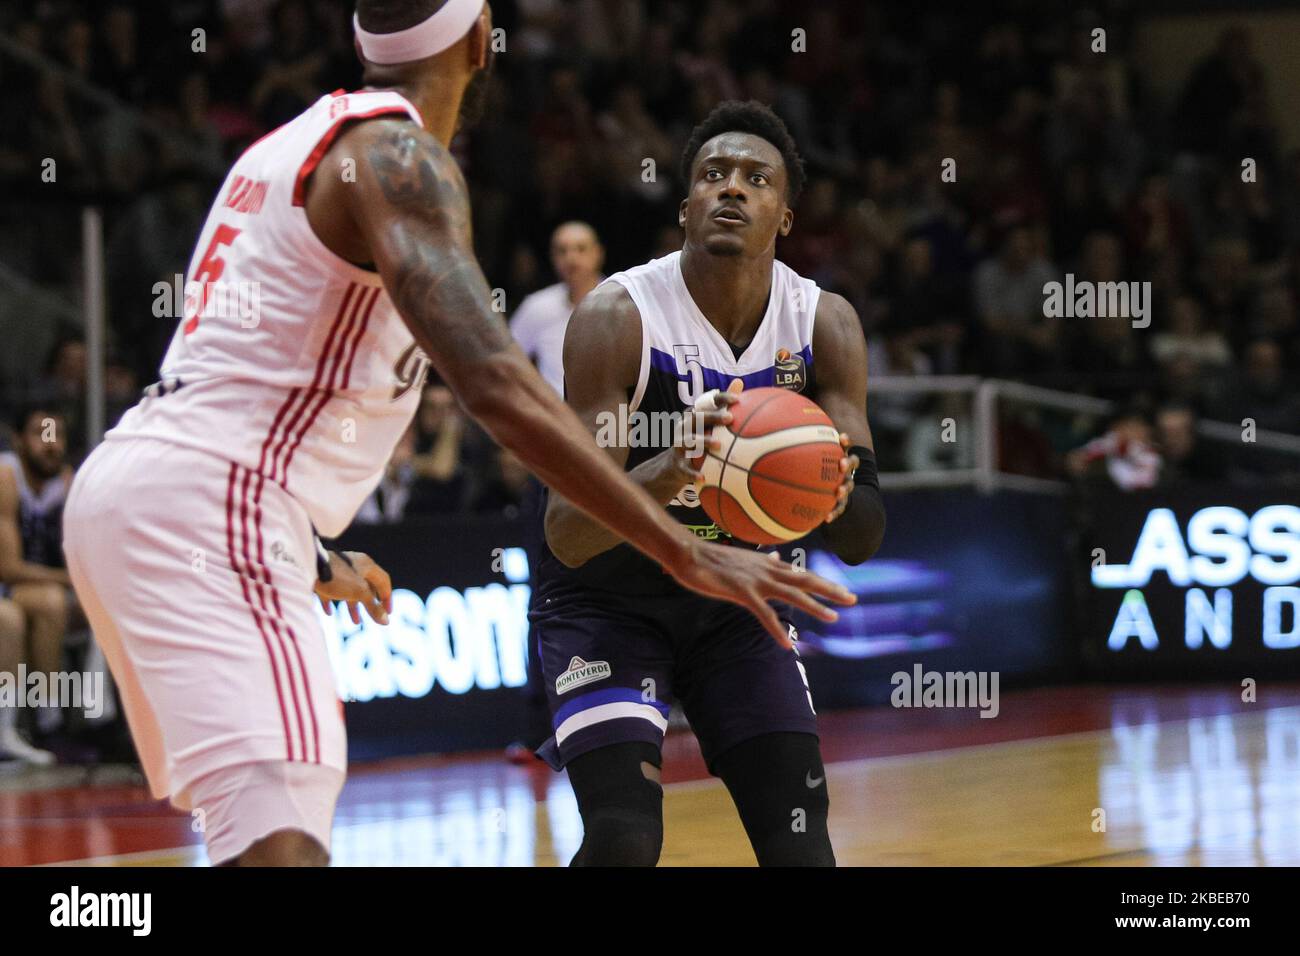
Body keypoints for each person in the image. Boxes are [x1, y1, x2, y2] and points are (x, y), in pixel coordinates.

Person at [62, 2, 851, 868]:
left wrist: (309, 549)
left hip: (139, 492)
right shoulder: (400, 159)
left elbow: (243, 376)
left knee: (256, 838)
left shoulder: (289, 146)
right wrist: (682, 548)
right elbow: (495, 382)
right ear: (481, 41)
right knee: (283, 839)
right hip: (217, 504)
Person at [536, 100, 887, 866]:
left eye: (755, 179)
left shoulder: (823, 324)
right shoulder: (616, 317)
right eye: (713, 175)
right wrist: (670, 468)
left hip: (737, 606)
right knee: (625, 839)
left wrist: (835, 500)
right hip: (610, 600)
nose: (732, 189)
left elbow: (863, 537)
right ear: (687, 203)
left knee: (801, 847)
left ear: (784, 216)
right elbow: (566, 533)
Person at [0, 406, 75, 765]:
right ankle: (25, 727)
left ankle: (98, 721)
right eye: (41, 435)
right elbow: (9, 568)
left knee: (108, 603)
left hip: (37, 587)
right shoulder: (6, 477)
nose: (51, 445)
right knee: (17, 616)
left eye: (57, 435)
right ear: (18, 440)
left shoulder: (66, 482)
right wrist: (69, 578)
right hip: (8, 584)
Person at [509, 221, 605, 394]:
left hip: (612, 415)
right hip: (552, 416)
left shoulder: (624, 301)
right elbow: (507, 362)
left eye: (581, 249)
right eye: (562, 251)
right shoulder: (537, 306)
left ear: (598, 253)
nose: (571, 258)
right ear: (553, 257)